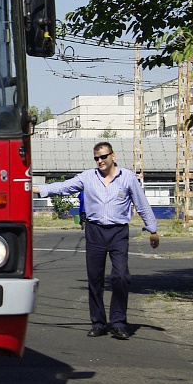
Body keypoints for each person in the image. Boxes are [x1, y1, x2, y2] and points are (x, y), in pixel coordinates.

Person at [41, 141, 160, 340]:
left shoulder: (128, 177)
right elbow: (63, 187)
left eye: (103, 157)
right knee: (95, 279)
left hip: (118, 232)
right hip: (95, 231)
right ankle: (98, 323)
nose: (100, 161)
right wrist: (34, 188)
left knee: (121, 277)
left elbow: (141, 203)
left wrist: (153, 229)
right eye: (96, 158)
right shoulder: (88, 177)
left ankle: (118, 322)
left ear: (113, 156)